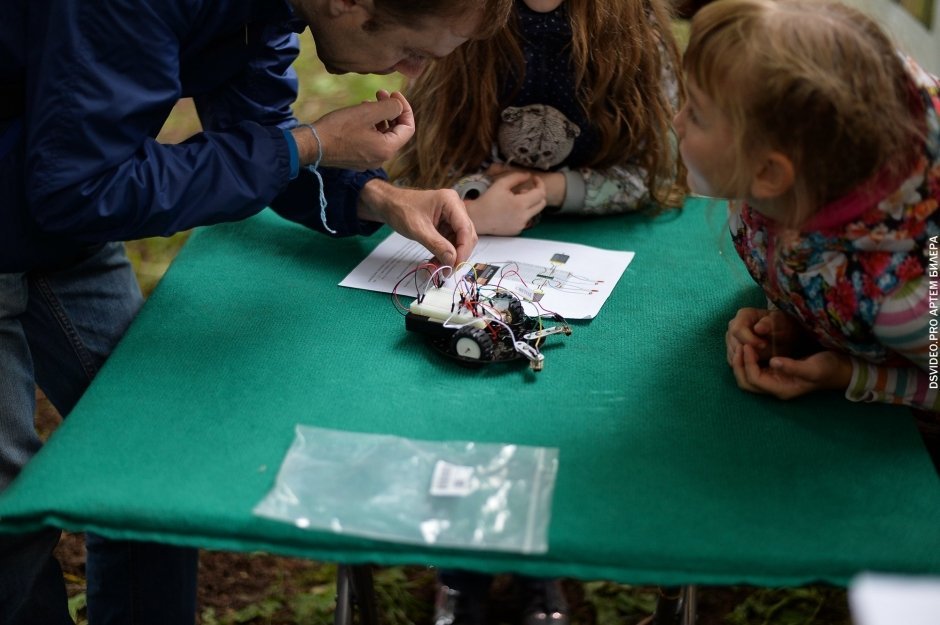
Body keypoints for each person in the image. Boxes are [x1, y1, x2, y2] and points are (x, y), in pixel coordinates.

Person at [0, 0, 514, 623]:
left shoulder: (273, 9)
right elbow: (83, 188)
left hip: (54, 218)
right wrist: (309, 145)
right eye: (414, 52)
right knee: (10, 513)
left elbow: (252, 129)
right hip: (61, 196)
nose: (408, 74)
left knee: (151, 452)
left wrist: (378, 196)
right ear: (348, 3)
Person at [390, 0, 685, 623]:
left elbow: (652, 174)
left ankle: (536, 566)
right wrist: (478, 203)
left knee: (555, 409)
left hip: (598, 262)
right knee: (463, 400)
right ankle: (461, 570)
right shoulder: (460, 16)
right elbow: (428, 156)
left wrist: (555, 189)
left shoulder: (633, 29)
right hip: (476, 250)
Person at [673, 0, 940, 462]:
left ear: (771, 174)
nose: (675, 122)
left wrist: (846, 373)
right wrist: (791, 318)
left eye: (695, 113)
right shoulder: (797, 170)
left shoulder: (906, 297)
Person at [390, 0, 686, 237]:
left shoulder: (637, 34)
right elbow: (419, 165)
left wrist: (551, 187)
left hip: (597, 238)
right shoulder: (454, 19)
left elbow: (655, 173)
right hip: (474, 226)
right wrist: (472, 208)